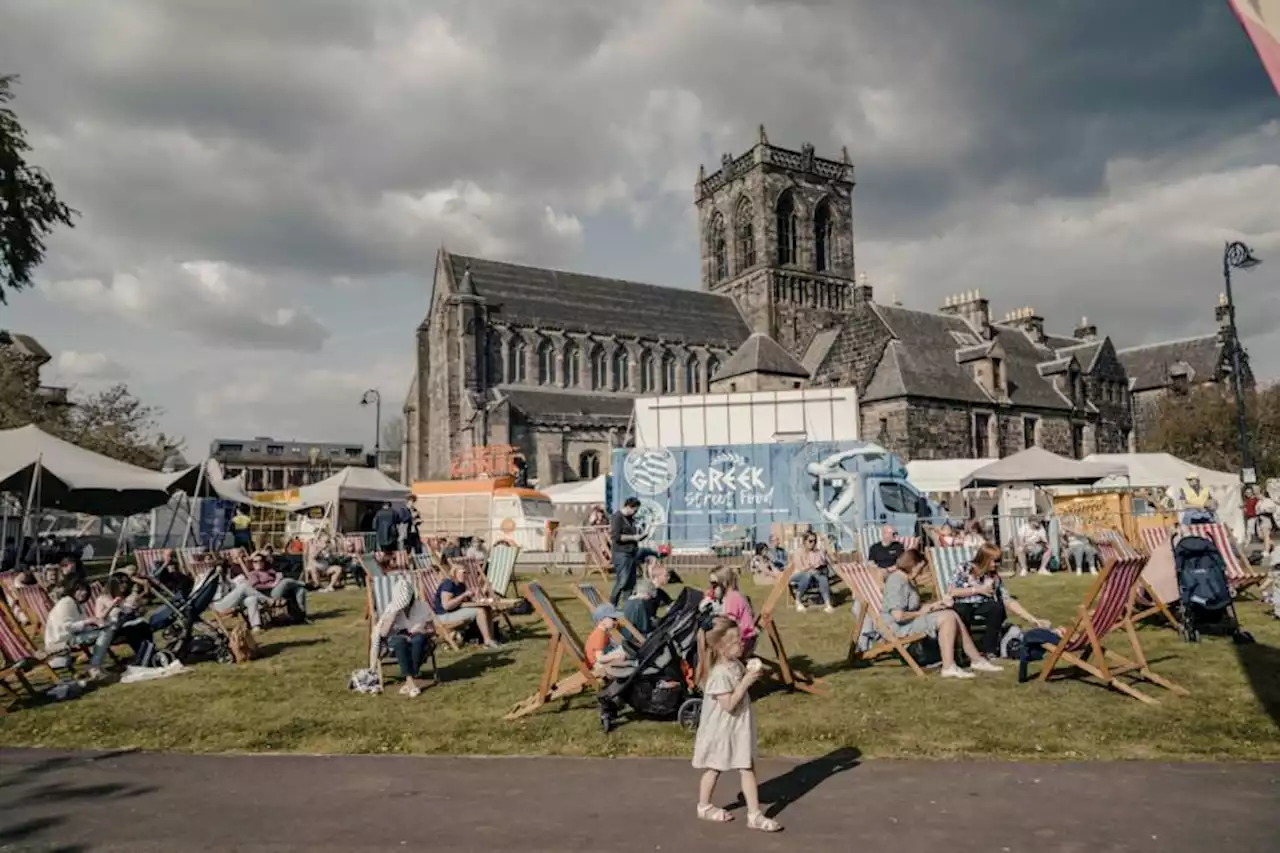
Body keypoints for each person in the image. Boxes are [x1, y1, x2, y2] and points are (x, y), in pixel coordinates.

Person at [692, 616, 780, 833]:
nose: (743, 643)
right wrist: (746, 682)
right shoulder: (719, 674)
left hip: (737, 727)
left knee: (747, 766)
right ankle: (703, 806)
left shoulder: (734, 664)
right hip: (722, 730)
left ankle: (754, 815)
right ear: (722, 647)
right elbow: (729, 704)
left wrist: (751, 674)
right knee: (715, 767)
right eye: (737, 641)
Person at [882, 550, 1001, 679]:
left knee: (952, 614)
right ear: (914, 565)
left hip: (909, 622)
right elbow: (898, 616)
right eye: (921, 568)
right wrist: (921, 613)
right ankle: (949, 666)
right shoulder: (896, 581)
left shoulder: (907, 580)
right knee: (948, 617)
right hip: (899, 629)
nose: (922, 572)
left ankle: (976, 660)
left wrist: (936, 605)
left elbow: (916, 608)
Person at [949, 543, 1049, 659]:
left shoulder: (994, 576)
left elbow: (1008, 600)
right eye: (993, 561)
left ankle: (989, 650)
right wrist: (978, 590)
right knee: (962, 609)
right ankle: (965, 651)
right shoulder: (964, 568)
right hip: (963, 603)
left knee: (997, 607)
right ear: (983, 559)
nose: (996, 564)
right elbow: (952, 591)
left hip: (983, 606)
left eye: (997, 561)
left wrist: (1033, 620)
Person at [373, 579, 435, 697]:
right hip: (397, 638)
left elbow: (432, 630)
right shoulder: (392, 608)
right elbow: (383, 633)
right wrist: (393, 617)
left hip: (418, 637)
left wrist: (423, 631)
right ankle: (411, 681)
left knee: (418, 640)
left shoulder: (422, 606)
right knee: (400, 642)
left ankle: (409, 680)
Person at [44, 581, 115, 678]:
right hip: (61, 640)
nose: (84, 592)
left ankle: (95, 665)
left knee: (106, 629)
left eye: (85, 590)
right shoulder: (67, 602)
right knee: (105, 632)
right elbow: (67, 627)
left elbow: (79, 625)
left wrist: (93, 624)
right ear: (72, 589)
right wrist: (88, 622)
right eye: (80, 590)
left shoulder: (77, 604)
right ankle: (95, 666)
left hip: (72, 636)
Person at [434, 564, 500, 648]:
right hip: (443, 616)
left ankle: (491, 639)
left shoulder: (461, 585)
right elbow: (446, 606)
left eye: (467, 573)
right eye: (464, 572)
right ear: (455, 573)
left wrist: (473, 596)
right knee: (480, 611)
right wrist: (463, 595)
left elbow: (464, 602)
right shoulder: (448, 584)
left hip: (454, 612)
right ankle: (487, 641)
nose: (466, 575)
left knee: (487, 608)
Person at [705, 568, 757, 654]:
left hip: (741, 642)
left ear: (724, 583)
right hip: (745, 638)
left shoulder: (731, 598)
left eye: (714, 584)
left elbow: (727, 625)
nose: (711, 588)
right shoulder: (733, 594)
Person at [244, 553, 308, 623]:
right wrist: (273, 585)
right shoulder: (253, 573)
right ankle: (306, 584)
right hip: (269, 594)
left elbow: (270, 559)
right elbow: (255, 586)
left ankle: (301, 614)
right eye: (255, 561)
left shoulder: (268, 570)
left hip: (278, 590)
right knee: (286, 581)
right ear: (252, 563)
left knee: (301, 590)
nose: (259, 563)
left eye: (261, 561)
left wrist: (277, 578)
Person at [213, 560, 270, 634]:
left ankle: (256, 627)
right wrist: (219, 571)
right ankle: (267, 600)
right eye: (227, 568)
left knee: (252, 599)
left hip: (231, 602)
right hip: (220, 604)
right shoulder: (214, 578)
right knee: (243, 586)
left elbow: (234, 589)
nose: (228, 570)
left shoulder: (226, 579)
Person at [609, 497, 647, 606]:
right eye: (635, 510)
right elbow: (616, 537)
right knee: (622, 581)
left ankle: (627, 606)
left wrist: (641, 535)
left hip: (631, 552)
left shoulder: (631, 518)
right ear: (629, 507)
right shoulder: (617, 517)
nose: (636, 513)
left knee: (631, 582)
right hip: (621, 553)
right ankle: (612, 604)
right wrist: (634, 538)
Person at [585, 603, 637, 679]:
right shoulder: (599, 635)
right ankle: (634, 667)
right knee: (623, 653)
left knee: (624, 650)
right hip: (596, 664)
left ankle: (634, 665)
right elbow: (600, 658)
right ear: (602, 620)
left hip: (598, 660)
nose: (615, 621)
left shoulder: (602, 630)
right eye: (613, 619)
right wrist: (615, 656)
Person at [790, 532, 833, 613]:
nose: (813, 543)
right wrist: (812, 568)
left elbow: (823, 563)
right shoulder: (798, 552)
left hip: (813, 575)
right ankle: (798, 601)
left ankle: (828, 604)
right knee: (807, 574)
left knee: (822, 577)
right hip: (797, 576)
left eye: (815, 541)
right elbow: (800, 568)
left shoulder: (816, 552)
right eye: (810, 541)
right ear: (804, 541)